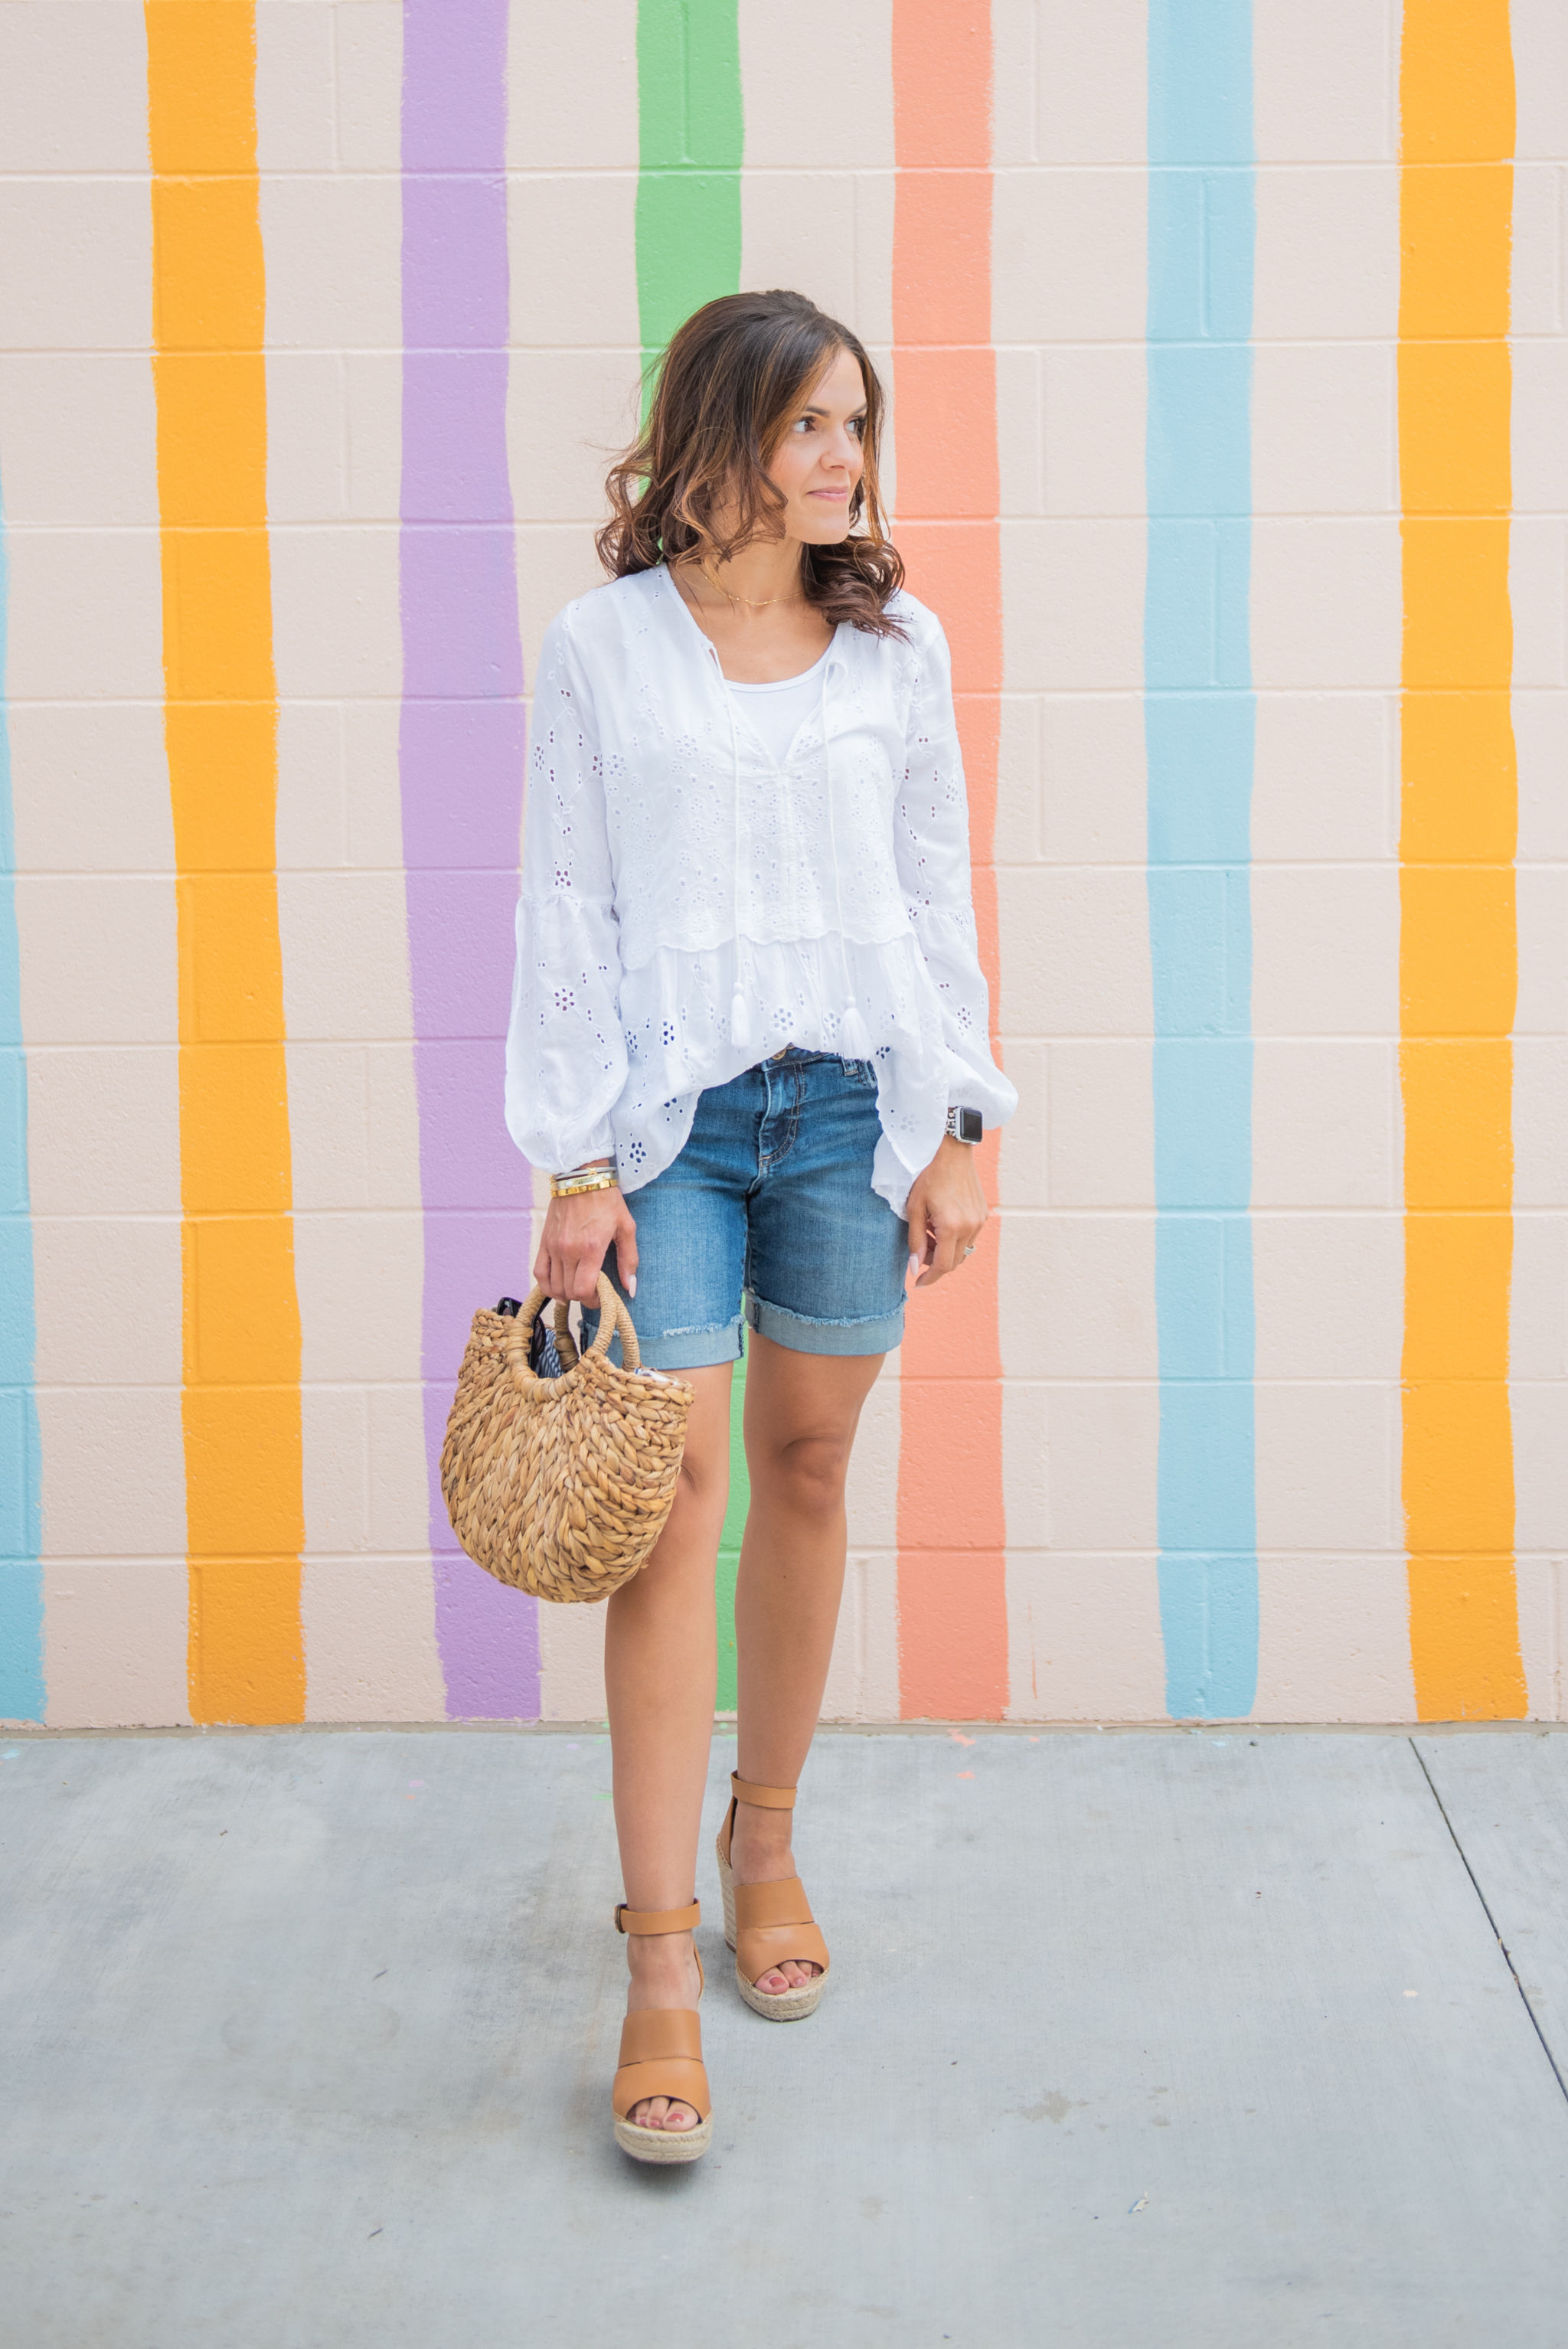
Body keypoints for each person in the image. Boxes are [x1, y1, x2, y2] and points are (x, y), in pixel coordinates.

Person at [505, 289, 1017, 2164]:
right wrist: (574, 1161)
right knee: (672, 1505)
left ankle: (766, 1841)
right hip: (673, 1123)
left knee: (806, 1473)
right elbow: (565, 905)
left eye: (855, 425)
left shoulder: (894, 646)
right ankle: (656, 1956)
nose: (842, 459)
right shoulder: (604, 647)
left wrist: (961, 1123)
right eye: (808, 423)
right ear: (718, 435)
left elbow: (934, 890)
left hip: (851, 1112)